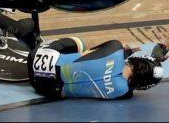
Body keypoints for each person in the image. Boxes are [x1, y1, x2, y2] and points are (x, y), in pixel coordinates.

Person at [28, 37, 167, 99]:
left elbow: (90, 52)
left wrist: (153, 57)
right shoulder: (123, 93)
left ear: (139, 58)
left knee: (80, 44)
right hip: (45, 90)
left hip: (37, 58)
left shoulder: (115, 47)